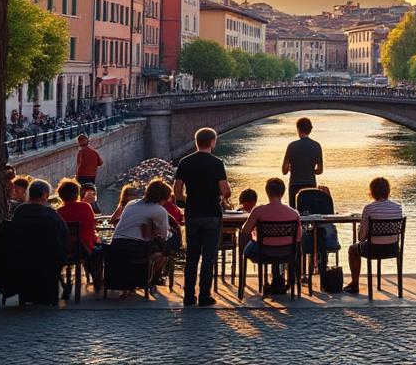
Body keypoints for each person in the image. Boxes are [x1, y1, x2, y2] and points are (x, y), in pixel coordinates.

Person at [173, 127, 230, 307]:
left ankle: (189, 296)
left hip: (193, 213)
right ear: (212, 142)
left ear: (196, 142)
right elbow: (225, 190)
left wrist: (188, 200)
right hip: (212, 213)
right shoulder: (217, 163)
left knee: (192, 256)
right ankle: (205, 296)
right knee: (208, 257)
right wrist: (224, 197)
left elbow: (177, 192)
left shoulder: (184, 162)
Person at [0, 179, 69, 305]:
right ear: (44, 195)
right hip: (47, 261)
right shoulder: (50, 214)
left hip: (22, 260)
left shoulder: (19, 212)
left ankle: (25, 295)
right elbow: (64, 235)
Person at [109, 179, 173, 297]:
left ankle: (140, 279)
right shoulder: (159, 210)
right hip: (135, 246)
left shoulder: (131, 203)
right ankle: (150, 281)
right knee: (164, 253)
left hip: (116, 244)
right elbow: (164, 235)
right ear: (163, 198)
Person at [240, 177, 302, 295]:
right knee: (281, 248)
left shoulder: (258, 211)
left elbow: (245, 231)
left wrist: (253, 235)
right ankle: (280, 280)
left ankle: (248, 281)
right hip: (287, 253)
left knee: (252, 246)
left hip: (263, 252)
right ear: (283, 192)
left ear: (267, 192)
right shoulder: (294, 213)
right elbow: (298, 239)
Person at [344, 176, 404, 293]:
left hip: (373, 249)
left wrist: (360, 228)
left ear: (372, 192)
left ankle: (354, 283)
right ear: (388, 191)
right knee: (363, 246)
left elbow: (361, 238)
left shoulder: (369, 209)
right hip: (393, 248)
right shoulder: (398, 208)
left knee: (352, 249)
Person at [55, 178, 102, 296]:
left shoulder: (59, 212)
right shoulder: (86, 207)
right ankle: (97, 278)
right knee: (100, 249)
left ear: (60, 196)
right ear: (77, 195)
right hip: (84, 250)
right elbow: (91, 227)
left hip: (65, 251)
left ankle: (66, 284)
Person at [281, 117, 323, 208]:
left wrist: (293, 167)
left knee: (295, 214)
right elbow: (320, 170)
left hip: (294, 185)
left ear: (298, 129)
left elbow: (284, 170)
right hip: (311, 185)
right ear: (310, 130)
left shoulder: (292, 146)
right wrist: (310, 169)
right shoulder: (317, 146)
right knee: (310, 213)